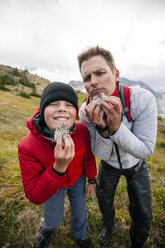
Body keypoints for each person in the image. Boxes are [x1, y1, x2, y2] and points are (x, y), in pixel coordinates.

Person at [77, 46, 157, 248]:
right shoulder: (85, 113)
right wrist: (103, 129)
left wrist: (116, 126)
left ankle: (137, 241)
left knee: (143, 210)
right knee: (104, 202)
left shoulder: (141, 99)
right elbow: (100, 154)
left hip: (137, 165)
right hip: (109, 166)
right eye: (87, 78)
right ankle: (109, 225)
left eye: (100, 73)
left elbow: (146, 150)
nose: (93, 81)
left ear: (116, 74)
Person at [18, 82, 97, 248]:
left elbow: (89, 157)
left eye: (69, 105)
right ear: (42, 110)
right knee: (53, 215)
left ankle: (81, 235)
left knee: (80, 210)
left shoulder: (82, 131)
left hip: (77, 180)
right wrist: (58, 168)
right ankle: (49, 229)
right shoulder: (27, 146)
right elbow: (34, 195)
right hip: (52, 185)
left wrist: (91, 180)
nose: (62, 109)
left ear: (75, 113)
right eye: (53, 104)